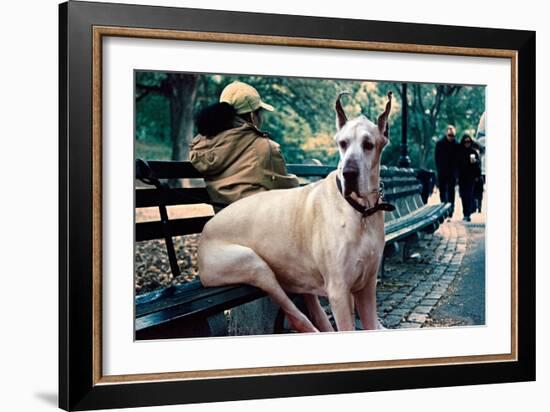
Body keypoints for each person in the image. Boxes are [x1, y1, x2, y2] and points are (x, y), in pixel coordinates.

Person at [189, 81, 299, 211]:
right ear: (253, 116)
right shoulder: (265, 147)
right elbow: (288, 190)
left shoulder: (204, 146)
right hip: (255, 223)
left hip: (222, 222)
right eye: (260, 112)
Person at [434, 125, 460, 217]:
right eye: (449, 135)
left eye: (452, 135)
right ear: (446, 134)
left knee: (451, 191)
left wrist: (456, 173)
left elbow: (458, 160)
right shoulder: (439, 144)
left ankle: (451, 210)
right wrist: (439, 169)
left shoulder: (457, 145)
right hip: (442, 171)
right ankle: (443, 208)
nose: (451, 137)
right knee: (442, 191)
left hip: (452, 172)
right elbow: (436, 158)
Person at [457, 134, 481, 222]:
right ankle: (465, 213)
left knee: (469, 195)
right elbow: (457, 165)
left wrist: (475, 163)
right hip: (462, 177)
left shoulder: (473, 152)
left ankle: (468, 214)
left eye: (469, 142)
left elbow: (478, 166)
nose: (467, 143)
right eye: (465, 142)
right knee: (463, 196)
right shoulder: (459, 152)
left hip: (471, 177)